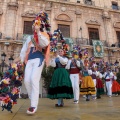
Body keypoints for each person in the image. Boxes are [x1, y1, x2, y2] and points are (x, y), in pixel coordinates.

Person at [14, 12, 50, 114]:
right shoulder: (29, 38)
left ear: (41, 25)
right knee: (27, 80)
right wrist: (19, 60)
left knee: (34, 79)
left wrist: (38, 32)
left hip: (38, 59)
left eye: (36, 24)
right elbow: (24, 50)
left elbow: (44, 44)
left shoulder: (44, 35)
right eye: (34, 25)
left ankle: (33, 105)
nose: (34, 26)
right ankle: (32, 99)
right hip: (29, 60)